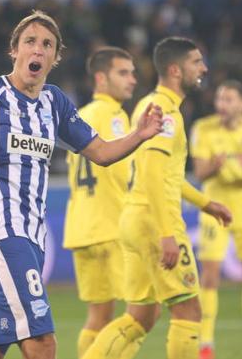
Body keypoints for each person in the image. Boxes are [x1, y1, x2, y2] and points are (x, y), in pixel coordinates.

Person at [0, 10, 163, 359]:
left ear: (55, 58)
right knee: (42, 343)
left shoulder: (54, 102)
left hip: (33, 236)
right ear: (14, 50)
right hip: (0, 229)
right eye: (30, 42)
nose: (38, 50)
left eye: (47, 45)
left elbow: (101, 152)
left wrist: (140, 135)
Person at [82, 36, 232, 359]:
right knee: (189, 311)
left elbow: (166, 176)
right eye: (196, 63)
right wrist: (166, 233)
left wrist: (207, 204)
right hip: (154, 221)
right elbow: (151, 173)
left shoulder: (147, 105)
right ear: (176, 70)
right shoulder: (164, 112)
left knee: (140, 318)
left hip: (133, 220)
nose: (203, 68)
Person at [190, 80, 242, 359]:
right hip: (215, 209)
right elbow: (200, 173)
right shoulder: (203, 128)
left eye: (228, 100)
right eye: (219, 99)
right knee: (210, 278)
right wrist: (214, 167)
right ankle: (205, 346)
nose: (221, 105)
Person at [63, 47, 137, 358]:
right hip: (112, 225)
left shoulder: (79, 116)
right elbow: (125, 174)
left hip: (82, 229)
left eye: (132, 73)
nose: (132, 80)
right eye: (123, 73)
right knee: (142, 314)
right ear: (100, 78)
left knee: (98, 317)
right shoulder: (115, 116)